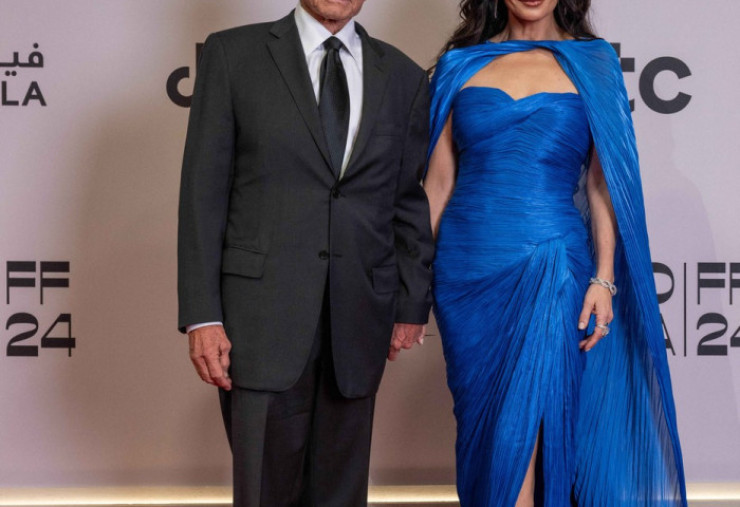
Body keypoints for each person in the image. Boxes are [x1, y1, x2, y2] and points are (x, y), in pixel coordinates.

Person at [423, 0, 687, 505]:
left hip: (554, 265)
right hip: (466, 270)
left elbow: (602, 184)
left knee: (527, 431)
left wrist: (604, 276)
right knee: (483, 433)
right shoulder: (459, 65)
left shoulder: (593, 63)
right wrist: (413, 285)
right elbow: (437, 185)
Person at [177, 0, 434, 505]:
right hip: (259, 321)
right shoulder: (234, 56)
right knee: (264, 491)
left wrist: (410, 304)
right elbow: (202, 195)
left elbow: (407, 200)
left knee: (342, 494)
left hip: (359, 320)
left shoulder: (403, 76)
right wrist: (202, 316)